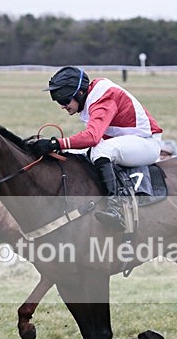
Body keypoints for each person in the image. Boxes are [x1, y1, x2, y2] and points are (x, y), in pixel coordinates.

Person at [29, 66, 163, 231]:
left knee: (100, 151)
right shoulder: (89, 98)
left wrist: (56, 143)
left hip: (147, 143)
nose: (62, 106)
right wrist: (59, 147)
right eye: (58, 102)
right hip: (127, 142)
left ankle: (115, 207)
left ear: (80, 93)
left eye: (64, 101)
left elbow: (93, 137)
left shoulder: (104, 96)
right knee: (71, 153)